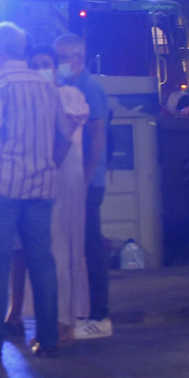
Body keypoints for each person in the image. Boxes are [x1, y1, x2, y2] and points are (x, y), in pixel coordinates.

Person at [0, 22, 72, 360]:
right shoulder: (46, 86)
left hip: (2, 184)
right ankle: (48, 339)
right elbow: (65, 135)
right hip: (41, 185)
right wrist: (50, 164)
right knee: (42, 262)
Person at [28, 45, 92, 346]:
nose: (43, 68)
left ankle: (64, 321)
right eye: (36, 64)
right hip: (43, 175)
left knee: (63, 247)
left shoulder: (69, 95)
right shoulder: (31, 97)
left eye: (47, 63)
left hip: (64, 174)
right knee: (47, 249)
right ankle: (52, 320)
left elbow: (65, 136)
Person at [55, 33, 114, 340]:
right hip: (77, 180)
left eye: (62, 57)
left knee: (90, 245)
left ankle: (100, 316)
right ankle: (88, 313)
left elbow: (98, 137)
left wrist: (87, 179)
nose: (58, 63)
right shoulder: (70, 87)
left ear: (78, 59)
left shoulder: (89, 88)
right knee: (81, 246)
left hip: (87, 181)